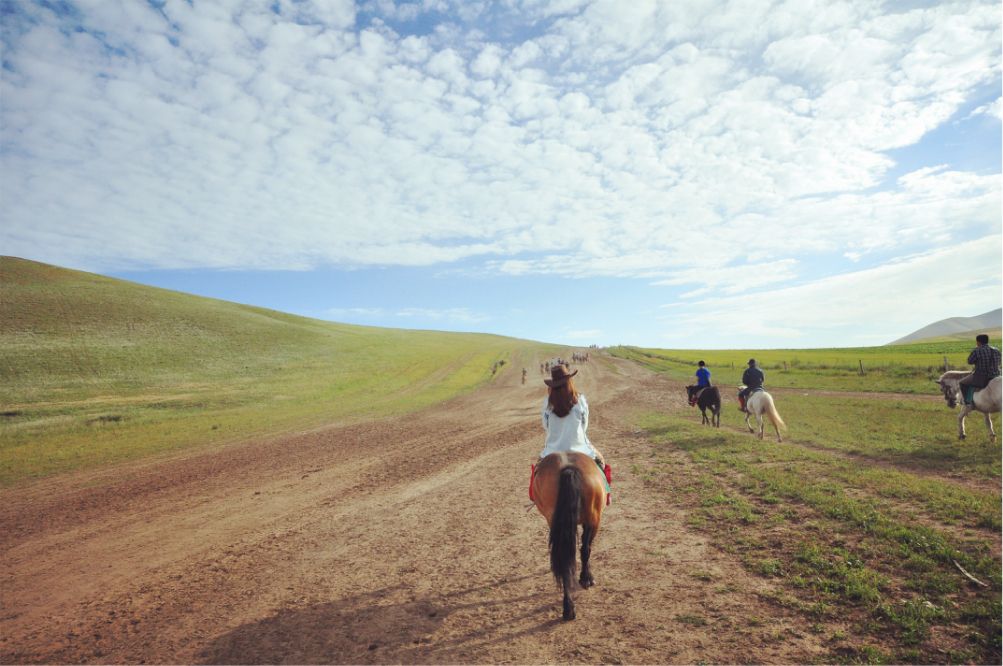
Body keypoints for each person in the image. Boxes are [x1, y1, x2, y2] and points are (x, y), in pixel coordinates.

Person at [539, 364, 605, 468]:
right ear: (569, 382)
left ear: (553, 385)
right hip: (580, 448)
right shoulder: (580, 400)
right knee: (601, 464)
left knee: (536, 474)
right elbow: (584, 426)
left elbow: (546, 426)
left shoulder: (547, 403)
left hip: (552, 451)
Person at [959, 334, 1001, 404]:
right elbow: (999, 362)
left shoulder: (977, 351)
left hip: (981, 376)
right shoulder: (996, 350)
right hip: (996, 374)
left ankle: (968, 402)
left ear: (978, 342)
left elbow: (970, 361)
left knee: (962, 383)